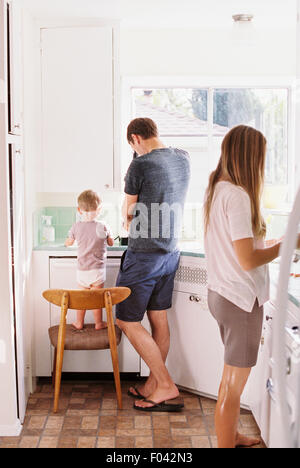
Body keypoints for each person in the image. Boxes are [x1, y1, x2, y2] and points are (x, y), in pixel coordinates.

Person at [203, 124, 300, 448]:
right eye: (261, 156)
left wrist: (281, 241)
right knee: (233, 386)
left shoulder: (218, 188)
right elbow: (246, 258)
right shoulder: (239, 196)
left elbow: (242, 245)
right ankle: (225, 444)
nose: (263, 164)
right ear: (250, 156)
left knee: (228, 379)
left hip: (221, 293)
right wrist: (289, 246)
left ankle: (229, 435)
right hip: (241, 302)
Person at [115, 117, 190, 412]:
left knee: (127, 320)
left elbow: (128, 212)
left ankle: (166, 385)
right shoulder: (183, 158)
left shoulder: (139, 166)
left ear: (135, 138)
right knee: (158, 318)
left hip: (144, 255)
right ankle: (151, 384)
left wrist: (127, 219)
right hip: (170, 253)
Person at [65, 190, 114, 330]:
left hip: (82, 271)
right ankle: (98, 323)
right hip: (97, 271)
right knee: (96, 300)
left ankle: (79, 322)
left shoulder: (76, 226)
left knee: (82, 300)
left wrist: (69, 240)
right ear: (99, 210)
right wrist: (108, 236)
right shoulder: (102, 226)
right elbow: (110, 243)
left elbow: (68, 242)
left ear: (79, 210)